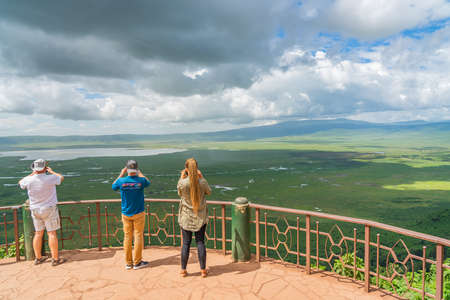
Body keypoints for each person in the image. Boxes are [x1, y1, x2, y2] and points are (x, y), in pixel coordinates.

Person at [18, 159, 65, 266]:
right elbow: (61, 178)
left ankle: (38, 258)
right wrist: (52, 171)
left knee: (38, 233)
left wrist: (32, 173)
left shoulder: (29, 180)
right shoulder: (50, 178)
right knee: (51, 233)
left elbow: (20, 182)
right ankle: (55, 259)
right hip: (49, 208)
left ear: (34, 168)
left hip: (35, 209)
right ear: (45, 167)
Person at [112, 160, 151, 270]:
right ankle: (137, 262)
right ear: (136, 169)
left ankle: (128, 263)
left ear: (127, 169)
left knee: (127, 237)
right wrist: (140, 173)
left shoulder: (121, 181)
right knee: (138, 236)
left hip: (126, 213)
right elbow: (148, 182)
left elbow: (113, 186)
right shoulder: (141, 180)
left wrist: (121, 173)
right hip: (139, 212)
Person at [177, 157, 211, 277]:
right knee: (200, 242)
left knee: (186, 243)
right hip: (200, 217)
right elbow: (208, 191)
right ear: (196, 168)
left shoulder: (183, 182)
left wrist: (182, 177)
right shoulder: (202, 182)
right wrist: (201, 177)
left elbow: (179, 192)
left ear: (186, 169)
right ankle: (202, 270)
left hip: (186, 217)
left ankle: (183, 270)